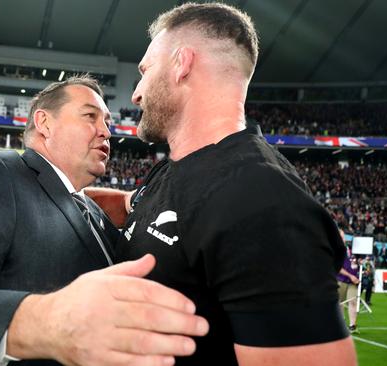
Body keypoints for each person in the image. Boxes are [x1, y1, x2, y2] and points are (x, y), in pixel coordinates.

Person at [0, 76, 208, 366]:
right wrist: (43, 323)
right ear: (44, 123)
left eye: (106, 121)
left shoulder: (90, 212)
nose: (106, 131)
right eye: (90, 116)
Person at [89, 3, 355, 365]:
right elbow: (128, 205)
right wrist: (55, 196)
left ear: (182, 63)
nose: (135, 93)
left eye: (144, 71)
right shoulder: (176, 169)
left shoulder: (262, 201)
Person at [337, 230, 360, 333]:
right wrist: (351, 276)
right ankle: (341, 325)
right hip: (340, 280)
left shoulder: (352, 249)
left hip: (353, 281)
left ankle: (352, 326)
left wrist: (361, 265)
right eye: (340, 237)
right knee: (339, 303)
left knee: (353, 301)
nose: (343, 239)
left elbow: (357, 262)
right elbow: (337, 267)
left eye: (343, 237)